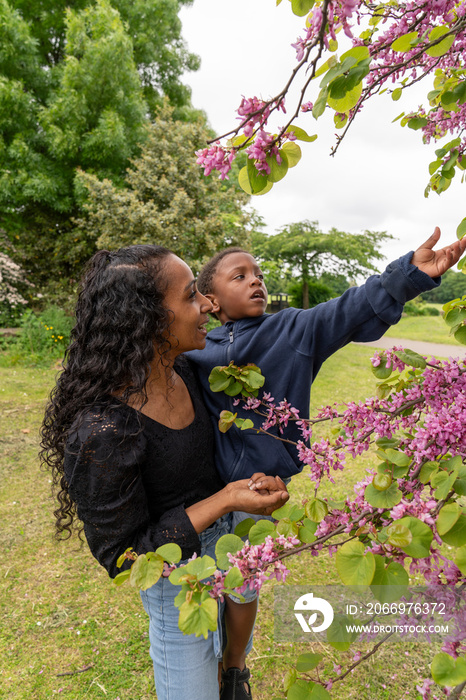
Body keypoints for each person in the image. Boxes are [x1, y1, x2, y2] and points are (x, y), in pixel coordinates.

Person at [186, 226, 466, 687]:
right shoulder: (196, 348)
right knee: (201, 584)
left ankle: (233, 669)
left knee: (243, 581)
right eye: (239, 276)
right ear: (210, 300)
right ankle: (203, 665)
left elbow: (348, 309)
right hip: (202, 493)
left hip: (259, 491)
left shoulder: (291, 329)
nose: (256, 281)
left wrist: (409, 276)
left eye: (258, 273)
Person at [39, 244, 289, 700]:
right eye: (194, 296)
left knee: (234, 645)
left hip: (231, 541)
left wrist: (248, 484)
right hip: (175, 582)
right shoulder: (103, 430)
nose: (209, 307)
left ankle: (233, 669)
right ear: (152, 322)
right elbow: (124, 557)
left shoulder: (189, 372)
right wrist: (225, 500)